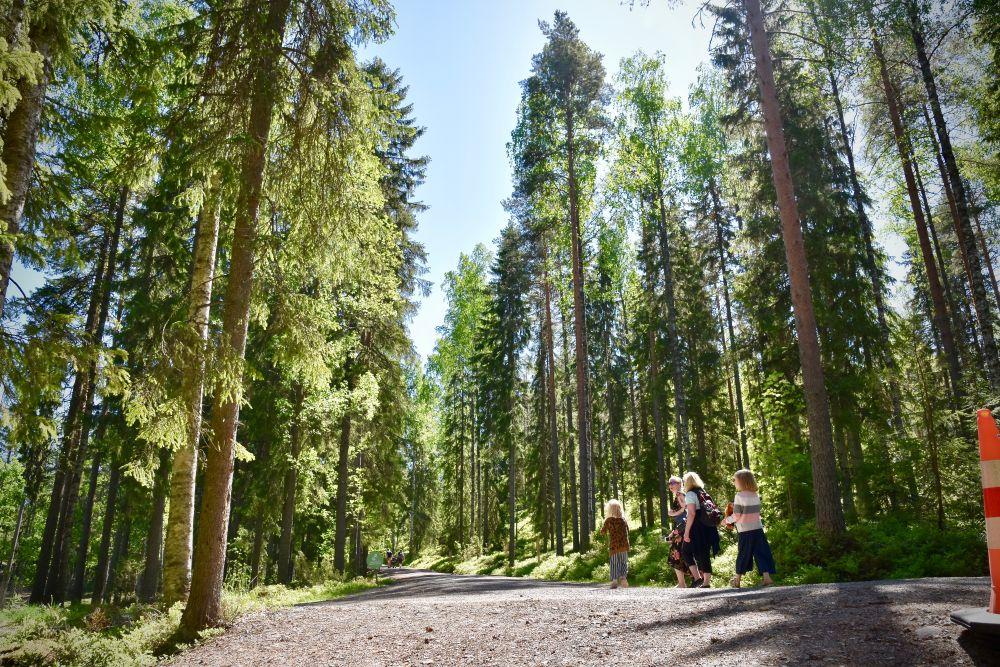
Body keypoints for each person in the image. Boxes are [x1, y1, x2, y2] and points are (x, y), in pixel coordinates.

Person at [723, 469, 775, 588]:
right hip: (757, 528)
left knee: (743, 554)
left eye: (735, 480)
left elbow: (737, 515)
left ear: (742, 481)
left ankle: (737, 580)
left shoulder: (739, 496)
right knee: (762, 553)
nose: (734, 482)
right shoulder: (755, 495)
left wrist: (726, 520)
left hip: (745, 531)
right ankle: (767, 578)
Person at [682, 471, 721, 588]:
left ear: (687, 482)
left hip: (697, 526)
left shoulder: (689, 494)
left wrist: (686, 532)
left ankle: (702, 580)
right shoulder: (703, 492)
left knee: (687, 551)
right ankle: (702, 580)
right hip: (708, 526)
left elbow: (692, 514)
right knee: (703, 552)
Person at [665, 476, 694, 588]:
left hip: (682, 528)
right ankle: (683, 582)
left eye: (673, 483)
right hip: (680, 527)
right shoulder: (678, 495)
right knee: (678, 554)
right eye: (669, 483)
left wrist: (673, 513)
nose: (670, 485)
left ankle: (684, 583)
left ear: (679, 483)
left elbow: (686, 509)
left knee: (676, 554)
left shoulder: (679, 494)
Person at [599, 499, 630, 589]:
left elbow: (602, 532)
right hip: (624, 546)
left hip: (614, 546)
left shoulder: (609, 520)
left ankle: (614, 581)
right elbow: (628, 531)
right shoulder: (623, 520)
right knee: (623, 562)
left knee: (614, 563)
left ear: (609, 510)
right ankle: (623, 577)